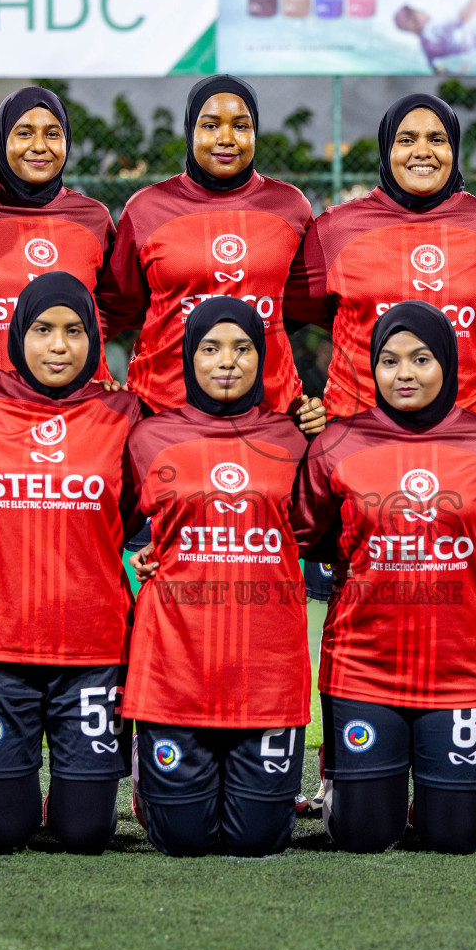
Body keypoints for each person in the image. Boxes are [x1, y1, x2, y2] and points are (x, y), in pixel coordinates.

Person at [293, 301, 476, 855]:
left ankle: (441, 795)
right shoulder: (337, 444)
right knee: (363, 835)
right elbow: (301, 534)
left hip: (460, 667)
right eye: (390, 361)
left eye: (421, 359)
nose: (405, 374)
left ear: (448, 363)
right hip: (364, 665)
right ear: (372, 368)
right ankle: (351, 794)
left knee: (455, 837)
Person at [0, 273, 143, 855]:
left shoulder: (123, 412)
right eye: (43, 330)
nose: (58, 345)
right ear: (18, 333)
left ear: (95, 339)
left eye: (74, 331)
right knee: (2, 831)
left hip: (93, 652)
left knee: (85, 835)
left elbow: (152, 502)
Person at [122, 297, 312, 857]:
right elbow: (105, 519)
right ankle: (147, 782)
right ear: (188, 356)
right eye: (209, 349)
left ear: (263, 357)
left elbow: (319, 529)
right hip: (175, 670)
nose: (226, 362)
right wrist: (139, 555)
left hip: (266, 673)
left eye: (242, 349)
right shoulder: (149, 437)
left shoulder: (294, 440)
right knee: (181, 841)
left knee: (258, 842)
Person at [286, 94, 476, 420]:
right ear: (387, 148)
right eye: (406, 140)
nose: (422, 151)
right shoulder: (336, 229)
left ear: (453, 149)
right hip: (359, 432)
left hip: (468, 431)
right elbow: (287, 314)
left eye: (436, 139)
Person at [102, 75, 319, 422]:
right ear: (190, 130)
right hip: (164, 407)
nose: (226, 139)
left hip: (268, 410)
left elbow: (304, 300)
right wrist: (97, 377)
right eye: (211, 125)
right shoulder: (146, 209)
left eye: (241, 125)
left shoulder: (290, 206)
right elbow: (113, 308)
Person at [0, 87, 117, 379]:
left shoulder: (94, 218)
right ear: (2, 140)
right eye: (24, 133)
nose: (39, 145)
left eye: (52, 134)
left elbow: (117, 304)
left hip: (78, 403)